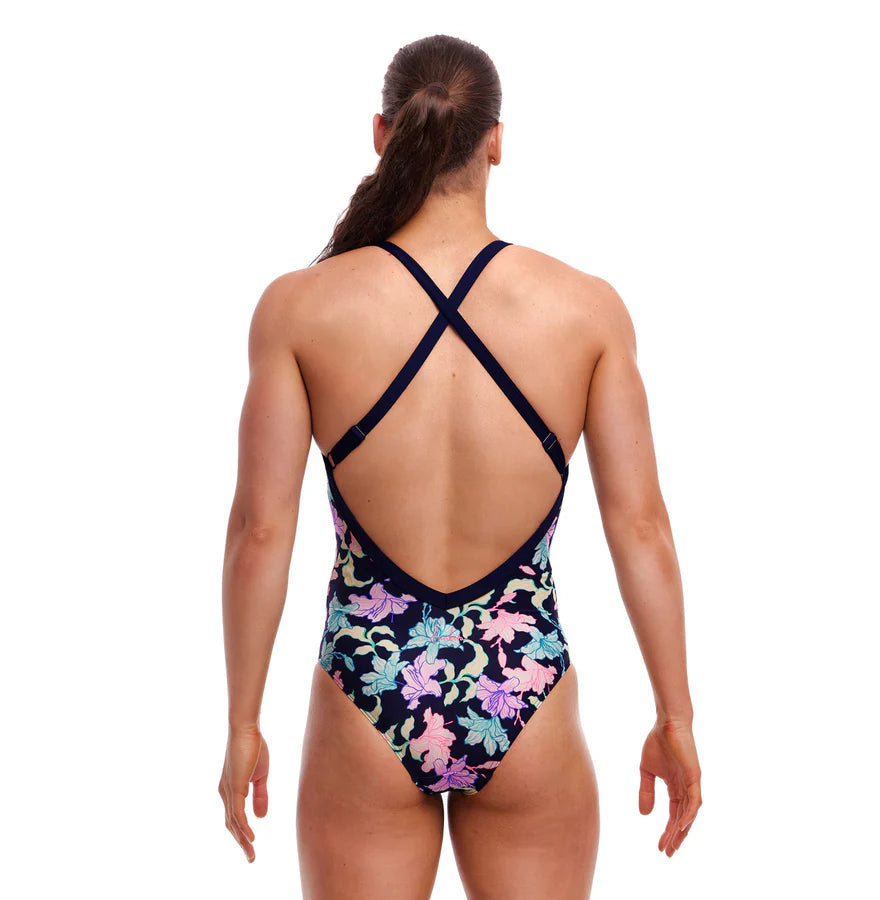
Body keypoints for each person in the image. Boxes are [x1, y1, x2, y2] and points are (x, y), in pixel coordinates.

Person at [218, 33, 701, 899]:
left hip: (366, 683)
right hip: (525, 685)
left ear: (382, 134)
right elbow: (641, 528)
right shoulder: (587, 311)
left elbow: (260, 532)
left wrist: (242, 722)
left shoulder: (299, 309)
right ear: (496, 142)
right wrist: (676, 716)